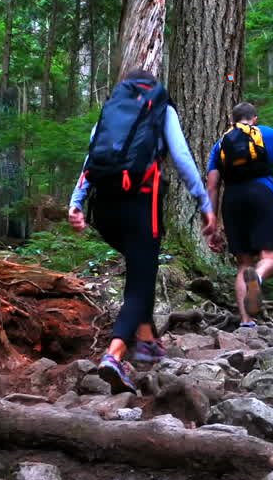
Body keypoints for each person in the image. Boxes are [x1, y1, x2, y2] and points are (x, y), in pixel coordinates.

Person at [68, 69, 217, 394]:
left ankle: (147, 340)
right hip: (140, 202)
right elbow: (181, 156)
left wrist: (75, 202)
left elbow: (90, 157)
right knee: (141, 281)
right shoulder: (161, 107)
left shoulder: (112, 111)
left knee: (141, 267)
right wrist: (204, 202)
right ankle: (114, 355)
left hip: (103, 209)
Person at [205, 102, 273, 327]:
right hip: (261, 195)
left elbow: (212, 186)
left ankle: (246, 321)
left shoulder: (221, 144)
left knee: (243, 264)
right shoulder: (271, 134)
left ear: (232, 121)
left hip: (233, 199)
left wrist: (212, 222)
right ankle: (256, 279)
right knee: (268, 257)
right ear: (255, 119)